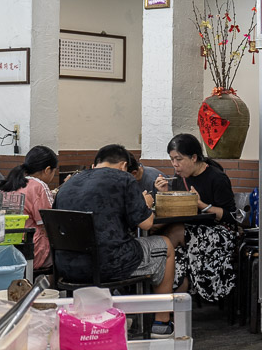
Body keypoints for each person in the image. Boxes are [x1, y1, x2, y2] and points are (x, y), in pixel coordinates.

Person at [55, 143, 182, 337]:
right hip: (108, 264)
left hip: (66, 266)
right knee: (165, 245)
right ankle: (162, 323)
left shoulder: (68, 183)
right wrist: (145, 203)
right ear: (123, 165)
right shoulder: (123, 178)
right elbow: (147, 224)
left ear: (96, 163)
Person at [154, 133, 241, 306]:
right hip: (190, 232)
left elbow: (231, 217)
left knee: (173, 234)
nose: (175, 165)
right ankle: (175, 307)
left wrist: (201, 204)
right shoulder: (180, 179)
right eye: (172, 160)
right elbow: (180, 211)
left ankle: (161, 301)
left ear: (194, 157)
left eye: (178, 159)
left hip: (221, 233)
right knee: (177, 258)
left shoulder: (217, 178)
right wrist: (164, 194)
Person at [0, 146, 58, 273]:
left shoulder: (8, 184)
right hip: (32, 251)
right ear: (48, 170)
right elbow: (49, 223)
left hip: (6, 250)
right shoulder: (39, 186)